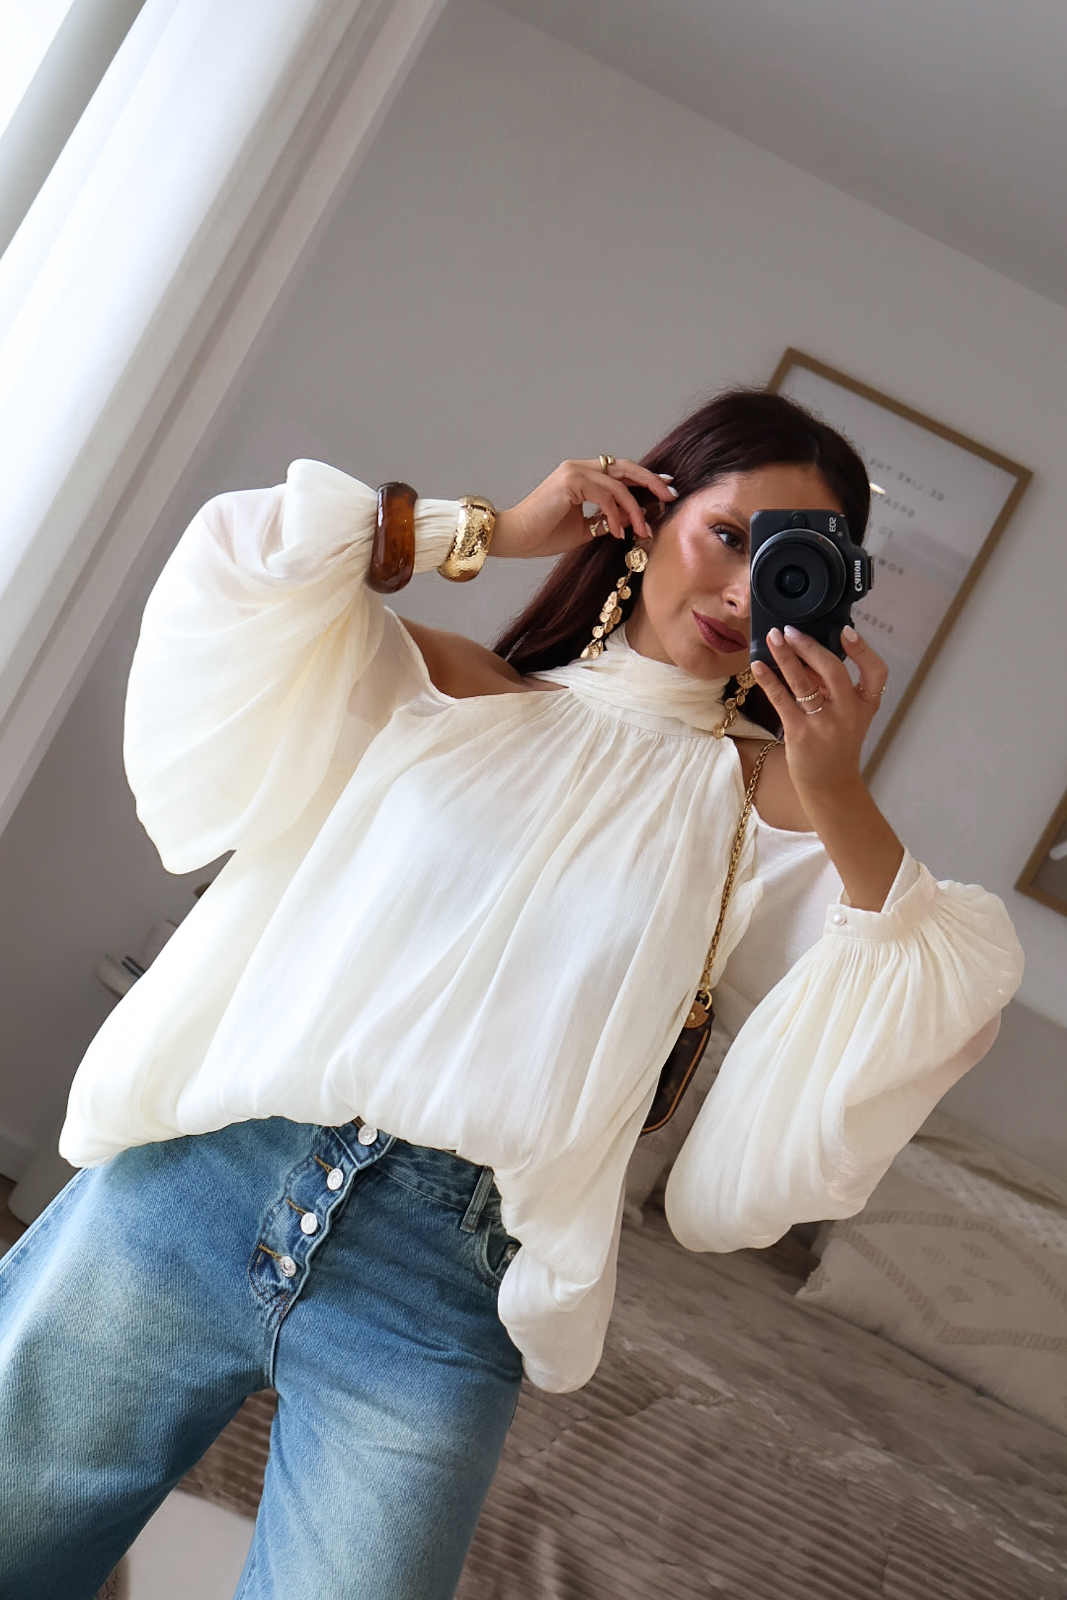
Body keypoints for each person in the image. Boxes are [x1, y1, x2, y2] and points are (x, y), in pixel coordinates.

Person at [0, 389, 1022, 1600]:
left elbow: (941, 992)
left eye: (790, 565)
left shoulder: (773, 813)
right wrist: (486, 528)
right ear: (645, 515)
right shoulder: (446, 684)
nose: (744, 588)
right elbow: (243, 558)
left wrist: (838, 783)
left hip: (443, 1284)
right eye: (726, 535)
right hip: (204, 1179)